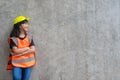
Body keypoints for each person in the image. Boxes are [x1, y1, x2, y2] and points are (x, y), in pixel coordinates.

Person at [7, 15, 36, 80]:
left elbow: (33, 49)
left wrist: (20, 53)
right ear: (19, 26)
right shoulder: (13, 39)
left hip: (28, 62)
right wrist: (27, 48)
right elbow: (16, 51)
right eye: (25, 23)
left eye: (27, 23)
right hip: (17, 63)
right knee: (16, 77)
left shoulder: (29, 37)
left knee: (26, 79)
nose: (27, 25)